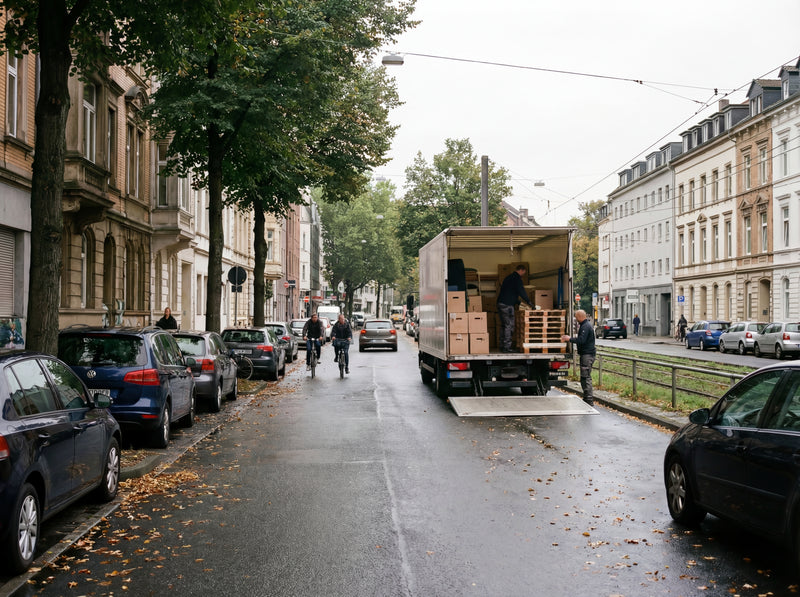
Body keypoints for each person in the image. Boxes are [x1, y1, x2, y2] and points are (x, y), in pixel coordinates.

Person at [561, 309, 596, 406]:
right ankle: (587, 398)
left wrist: (569, 339)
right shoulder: (585, 325)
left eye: (576, 317)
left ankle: (588, 399)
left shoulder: (585, 326)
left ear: (580, 317)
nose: (576, 319)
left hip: (587, 355)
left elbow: (582, 340)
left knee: (586, 377)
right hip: (586, 354)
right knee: (584, 377)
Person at [496, 264, 532, 353]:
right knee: (509, 325)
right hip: (507, 305)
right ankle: (507, 347)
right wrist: (529, 302)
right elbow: (521, 291)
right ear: (521, 270)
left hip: (501, 303)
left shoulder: (508, 278)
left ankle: (502, 345)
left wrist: (519, 303)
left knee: (504, 325)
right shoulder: (517, 279)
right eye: (524, 273)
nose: (523, 275)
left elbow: (509, 292)